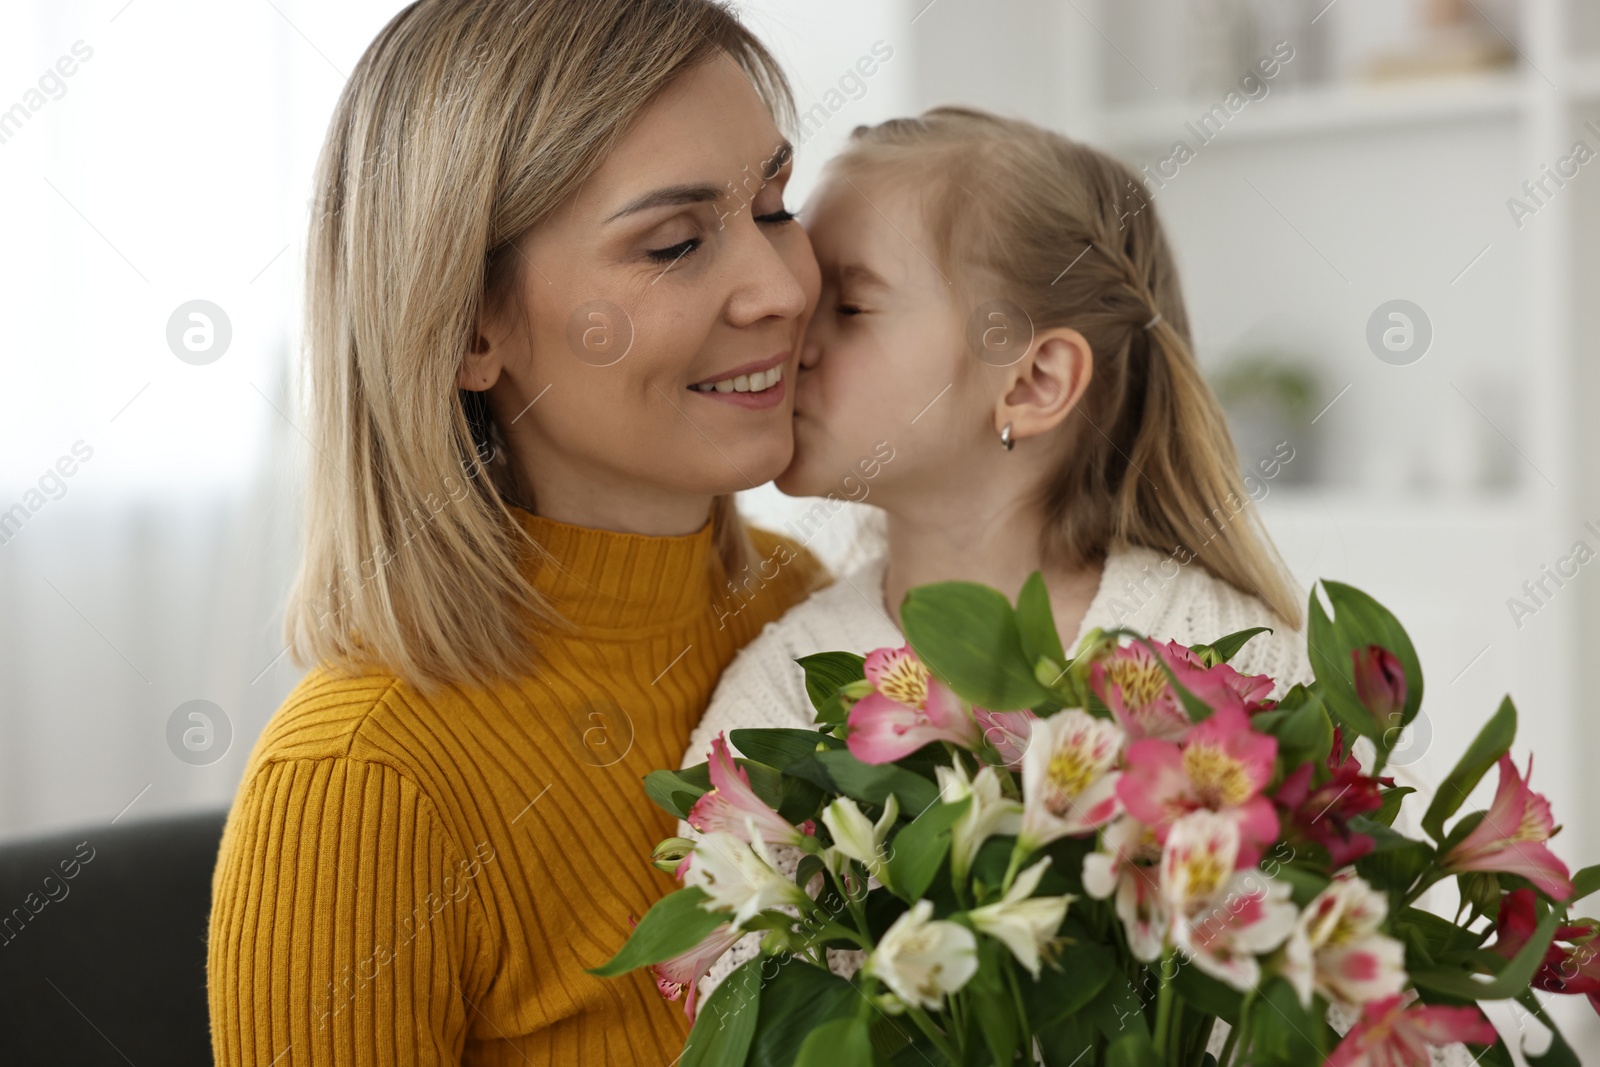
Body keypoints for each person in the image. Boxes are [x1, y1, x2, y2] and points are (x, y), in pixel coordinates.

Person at [680, 107, 1476, 1067]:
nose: (793, 336)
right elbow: (731, 984)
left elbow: (1374, 976)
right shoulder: (781, 687)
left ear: (1033, 380)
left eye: (848, 307)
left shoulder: (1231, 658)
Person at [205, 1, 830, 1062]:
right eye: (674, 244)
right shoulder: (357, 783)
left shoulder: (803, 610)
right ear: (468, 327)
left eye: (772, 204)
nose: (781, 287)